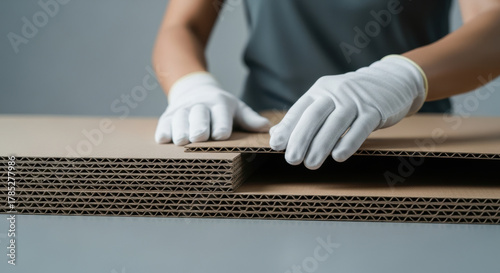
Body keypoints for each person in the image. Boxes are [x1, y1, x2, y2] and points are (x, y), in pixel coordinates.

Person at [152, 0, 500, 169]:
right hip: (266, 145)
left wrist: (403, 76)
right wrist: (192, 85)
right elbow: (182, 26)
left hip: (411, 146)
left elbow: (492, 23)